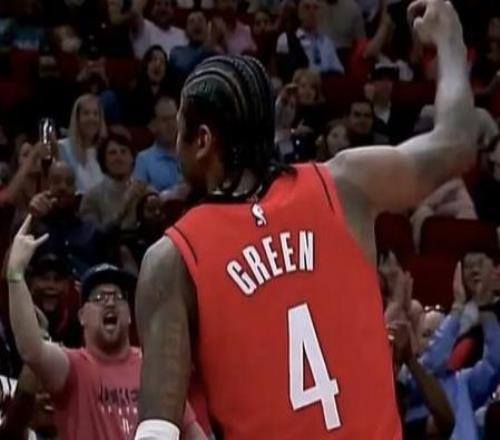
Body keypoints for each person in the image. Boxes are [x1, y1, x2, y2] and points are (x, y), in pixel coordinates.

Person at [134, 1, 478, 439]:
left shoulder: (172, 259)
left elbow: (157, 434)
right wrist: (450, 40)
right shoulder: (345, 184)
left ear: (201, 140)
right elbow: (456, 142)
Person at [7, 225, 207, 440]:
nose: (110, 303)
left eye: (118, 297)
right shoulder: (73, 367)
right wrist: (15, 274)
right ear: (82, 316)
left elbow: (192, 433)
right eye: (99, 298)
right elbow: (31, 350)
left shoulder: (153, 369)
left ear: (129, 315)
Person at [27, 161, 112, 278]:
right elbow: (11, 272)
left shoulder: (92, 231)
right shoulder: (34, 228)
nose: (63, 187)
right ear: (45, 185)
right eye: (56, 181)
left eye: (69, 182)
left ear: (75, 188)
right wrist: (32, 219)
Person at [80, 133, 150, 230]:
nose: (119, 157)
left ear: (132, 159)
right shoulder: (91, 197)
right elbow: (93, 234)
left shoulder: (146, 191)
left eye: (123, 152)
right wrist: (124, 205)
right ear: (103, 160)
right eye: (113, 153)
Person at [276, 0, 344, 74]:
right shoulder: (288, 40)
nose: (312, 12)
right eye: (307, 7)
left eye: (315, 7)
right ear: (298, 12)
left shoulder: (327, 42)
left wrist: (320, 77)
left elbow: (339, 72)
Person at [58, 94, 107, 194]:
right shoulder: (63, 147)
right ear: (77, 118)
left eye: (95, 114)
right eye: (86, 113)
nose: (92, 118)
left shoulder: (106, 149)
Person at [133, 97, 182, 193]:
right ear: (152, 125)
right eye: (165, 120)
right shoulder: (144, 160)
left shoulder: (191, 153)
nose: (171, 124)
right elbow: (139, 195)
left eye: (174, 118)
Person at [126, 45, 174, 126]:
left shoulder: (172, 91)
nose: (158, 64)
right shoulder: (134, 91)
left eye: (162, 62)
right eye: (153, 59)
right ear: (146, 65)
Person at [169, 10, 216, 84]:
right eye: (191, 21)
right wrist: (204, 50)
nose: (196, 24)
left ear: (207, 28)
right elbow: (186, 71)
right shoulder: (177, 53)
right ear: (185, 31)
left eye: (200, 20)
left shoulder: (216, 56)